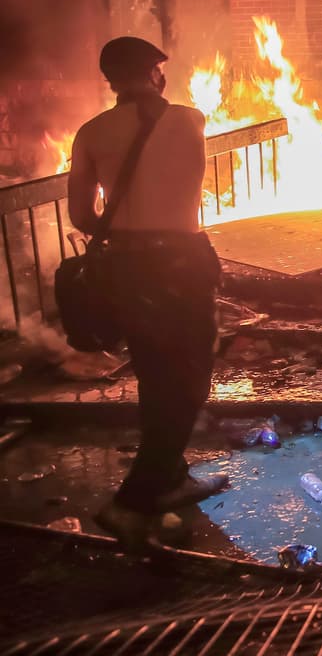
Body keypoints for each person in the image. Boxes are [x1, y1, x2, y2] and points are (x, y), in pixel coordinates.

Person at [68, 36, 227, 549]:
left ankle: (172, 478)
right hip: (180, 264)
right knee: (189, 379)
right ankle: (133, 501)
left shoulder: (90, 133)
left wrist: (126, 227)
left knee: (156, 374)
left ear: (110, 80)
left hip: (128, 268)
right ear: (157, 73)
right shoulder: (190, 119)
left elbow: (81, 215)